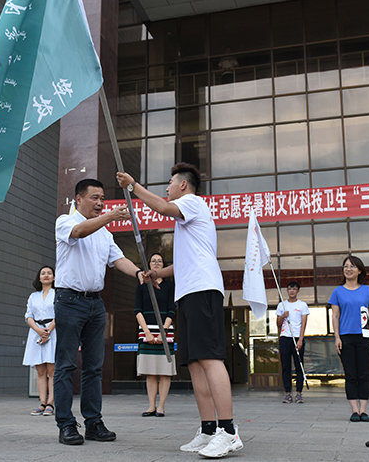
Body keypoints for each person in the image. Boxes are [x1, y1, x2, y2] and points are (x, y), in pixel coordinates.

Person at [117, 163, 243, 458]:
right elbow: (185, 261)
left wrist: (133, 186)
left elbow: (162, 207)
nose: (167, 188)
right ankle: (208, 429)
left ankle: (228, 431)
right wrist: (158, 274)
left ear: (183, 185)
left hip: (202, 290)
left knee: (210, 358)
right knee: (195, 363)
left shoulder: (192, 202)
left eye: (170, 182)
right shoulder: (187, 217)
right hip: (187, 294)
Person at [53, 178, 143, 445]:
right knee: (66, 365)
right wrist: (111, 216)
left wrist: (139, 273)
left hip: (95, 304)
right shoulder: (65, 221)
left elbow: (118, 259)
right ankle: (66, 424)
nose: (100, 203)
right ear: (78, 199)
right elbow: (79, 232)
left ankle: (93, 422)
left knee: (94, 367)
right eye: (95, 198)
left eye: (102, 198)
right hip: (69, 301)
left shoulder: (105, 233)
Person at [329, 255, 369, 422]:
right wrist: (337, 337)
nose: (348, 269)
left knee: (363, 374)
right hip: (345, 337)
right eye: (346, 266)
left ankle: (363, 410)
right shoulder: (337, 292)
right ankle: (354, 410)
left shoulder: (368, 291)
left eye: (352, 266)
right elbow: (335, 316)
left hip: (365, 337)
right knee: (350, 374)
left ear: (359, 271)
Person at [135, 252, 176, 417]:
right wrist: (147, 332)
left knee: (165, 371)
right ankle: (151, 406)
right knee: (150, 371)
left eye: (160, 261)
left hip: (165, 332)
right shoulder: (141, 285)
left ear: (164, 265)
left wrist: (162, 332)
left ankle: (161, 406)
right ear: (148, 265)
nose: (156, 263)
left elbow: (172, 310)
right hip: (146, 332)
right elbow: (137, 310)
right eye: (153, 261)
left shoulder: (170, 286)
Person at [23, 265, 56, 416]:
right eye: (43, 273)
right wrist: (38, 330)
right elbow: (28, 316)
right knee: (40, 370)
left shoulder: (57, 294)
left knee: (52, 370)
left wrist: (48, 331)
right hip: (36, 332)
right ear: (39, 277)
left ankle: (51, 403)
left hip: (53, 332)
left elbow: (60, 313)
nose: (46, 275)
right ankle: (42, 403)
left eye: (49, 273)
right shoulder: (33, 296)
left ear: (54, 277)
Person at [276, 281, 309, 404]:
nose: (292, 291)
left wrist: (300, 339)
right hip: (285, 337)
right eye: (290, 289)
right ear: (287, 290)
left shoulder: (302, 305)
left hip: (297, 338)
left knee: (299, 366)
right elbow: (278, 324)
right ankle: (288, 393)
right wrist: (283, 316)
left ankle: (299, 393)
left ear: (298, 291)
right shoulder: (282, 305)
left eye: (294, 289)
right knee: (286, 367)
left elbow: (304, 324)